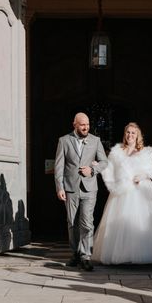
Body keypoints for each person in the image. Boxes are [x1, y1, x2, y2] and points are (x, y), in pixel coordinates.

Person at [92, 123, 152, 264]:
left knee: (139, 221)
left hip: (142, 191)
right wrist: (98, 166)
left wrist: (143, 176)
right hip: (122, 192)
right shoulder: (117, 152)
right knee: (121, 222)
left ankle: (143, 253)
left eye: (133, 133)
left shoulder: (147, 152)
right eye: (128, 132)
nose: (130, 135)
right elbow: (110, 169)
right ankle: (122, 254)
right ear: (124, 134)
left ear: (138, 136)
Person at [54, 112, 108, 271]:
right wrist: (60, 187)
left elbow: (104, 162)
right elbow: (59, 166)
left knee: (87, 222)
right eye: (82, 124)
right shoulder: (64, 141)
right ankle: (75, 254)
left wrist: (92, 170)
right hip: (70, 189)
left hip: (89, 188)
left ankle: (85, 256)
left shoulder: (95, 141)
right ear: (75, 124)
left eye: (88, 124)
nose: (86, 127)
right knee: (72, 223)